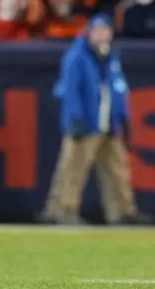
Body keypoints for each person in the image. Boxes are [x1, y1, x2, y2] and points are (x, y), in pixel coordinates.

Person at [42, 15, 152, 225]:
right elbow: (69, 91)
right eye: (98, 31)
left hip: (108, 123)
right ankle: (63, 210)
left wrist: (123, 118)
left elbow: (118, 91)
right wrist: (74, 119)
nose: (102, 36)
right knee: (73, 169)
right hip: (86, 122)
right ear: (89, 32)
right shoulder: (77, 57)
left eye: (105, 31)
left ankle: (122, 212)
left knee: (117, 170)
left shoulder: (111, 58)